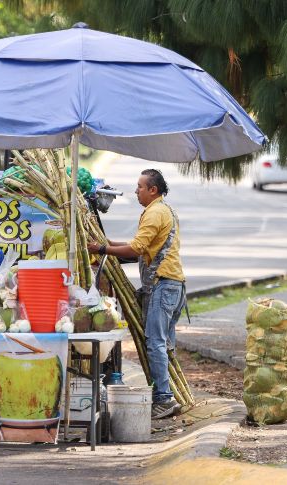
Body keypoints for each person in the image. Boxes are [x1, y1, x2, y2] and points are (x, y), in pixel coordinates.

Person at [87, 169, 186, 419]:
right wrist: (107, 244)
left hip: (165, 286)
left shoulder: (155, 212)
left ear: (153, 190)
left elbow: (137, 248)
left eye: (140, 187)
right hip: (171, 286)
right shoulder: (164, 210)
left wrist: (101, 248)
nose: (136, 191)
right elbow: (139, 249)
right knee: (163, 344)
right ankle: (167, 395)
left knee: (155, 343)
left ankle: (164, 398)